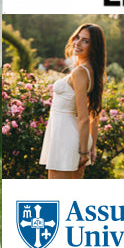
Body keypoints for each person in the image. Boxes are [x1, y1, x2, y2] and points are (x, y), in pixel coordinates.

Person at [39, 23, 105, 179]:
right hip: (70, 138)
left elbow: (84, 118)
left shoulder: (80, 72)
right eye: (77, 38)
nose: (77, 43)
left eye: (85, 41)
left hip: (66, 139)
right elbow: (94, 114)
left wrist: (84, 152)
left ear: (94, 47)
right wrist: (91, 146)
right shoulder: (91, 70)